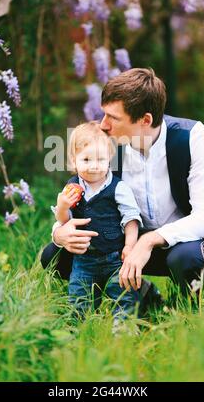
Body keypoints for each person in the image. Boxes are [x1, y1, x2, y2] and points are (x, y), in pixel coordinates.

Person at [41, 68, 204, 302]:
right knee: (55, 256)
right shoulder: (107, 145)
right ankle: (140, 296)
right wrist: (59, 233)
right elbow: (79, 199)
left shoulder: (193, 137)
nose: (103, 125)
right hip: (125, 242)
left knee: (187, 259)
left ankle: (193, 306)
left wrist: (149, 241)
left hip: (184, 241)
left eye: (113, 118)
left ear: (145, 120)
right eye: (103, 114)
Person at [52, 121, 143, 318]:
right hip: (83, 259)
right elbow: (64, 222)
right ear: (73, 161)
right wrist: (62, 207)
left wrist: (130, 246)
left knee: (123, 294)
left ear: (110, 159)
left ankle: (124, 328)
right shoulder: (72, 187)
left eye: (100, 160)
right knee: (79, 298)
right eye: (86, 160)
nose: (94, 166)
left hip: (114, 256)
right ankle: (78, 328)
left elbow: (131, 219)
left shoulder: (118, 188)